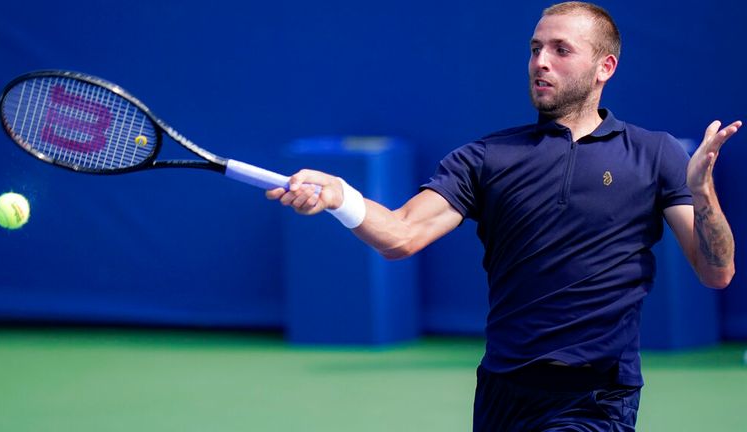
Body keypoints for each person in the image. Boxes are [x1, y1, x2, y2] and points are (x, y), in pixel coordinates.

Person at [267, 2, 741, 430]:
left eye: (561, 50)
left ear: (605, 67)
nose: (541, 61)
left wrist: (702, 191)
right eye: (535, 48)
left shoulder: (654, 154)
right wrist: (341, 196)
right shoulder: (484, 157)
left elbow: (716, 271)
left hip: (596, 396)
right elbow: (401, 235)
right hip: (502, 391)